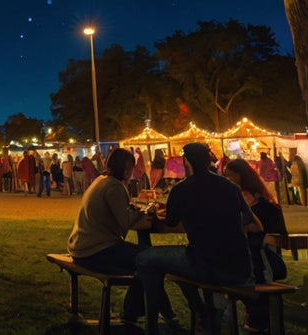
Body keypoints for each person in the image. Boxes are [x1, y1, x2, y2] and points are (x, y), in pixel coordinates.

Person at [135, 143, 259, 335]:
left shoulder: (182, 189)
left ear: (186, 162)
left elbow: (170, 222)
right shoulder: (230, 187)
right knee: (176, 265)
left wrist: (156, 215)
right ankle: (201, 311)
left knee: (145, 259)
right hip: (239, 269)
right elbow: (249, 220)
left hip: (206, 265)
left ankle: (155, 324)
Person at [68, 148, 178, 329]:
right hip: (96, 249)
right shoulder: (114, 186)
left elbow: (121, 215)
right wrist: (145, 212)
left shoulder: (102, 180)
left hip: (83, 246)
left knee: (144, 262)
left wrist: (137, 212)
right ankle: (163, 316)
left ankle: (135, 313)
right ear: (126, 169)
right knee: (150, 260)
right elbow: (125, 222)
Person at [223, 158, 288, 333]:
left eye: (229, 176)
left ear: (239, 176)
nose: (228, 181)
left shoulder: (255, 203)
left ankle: (254, 320)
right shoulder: (259, 199)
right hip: (258, 260)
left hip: (261, 263)